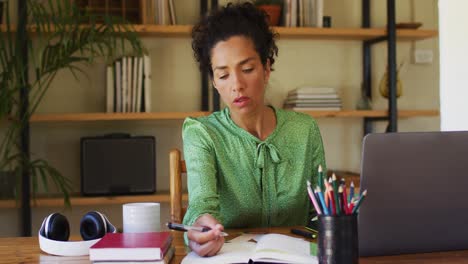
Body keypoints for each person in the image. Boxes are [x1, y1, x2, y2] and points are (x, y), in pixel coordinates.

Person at [182, 2, 326, 257]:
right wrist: (201, 227)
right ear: (214, 81)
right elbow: (201, 205)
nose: (237, 85)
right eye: (223, 75)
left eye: (247, 69)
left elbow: (320, 215)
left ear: (266, 67)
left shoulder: (305, 130)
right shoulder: (201, 133)